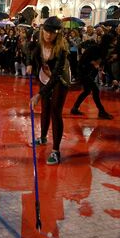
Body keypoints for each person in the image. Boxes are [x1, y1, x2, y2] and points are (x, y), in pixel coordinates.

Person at [28, 16, 72, 165]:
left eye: (53, 33)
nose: (49, 35)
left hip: (59, 80)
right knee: (45, 109)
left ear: (58, 34)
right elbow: (30, 53)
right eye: (46, 31)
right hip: (44, 76)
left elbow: (56, 76)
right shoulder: (38, 43)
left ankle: (56, 151)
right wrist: (29, 64)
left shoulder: (61, 49)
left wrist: (39, 94)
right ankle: (43, 137)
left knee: (55, 111)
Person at [69, 42, 114, 119]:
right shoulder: (94, 49)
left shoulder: (102, 52)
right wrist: (93, 63)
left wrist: (113, 79)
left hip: (86, 72)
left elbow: (106, 64)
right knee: (95, 90)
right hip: (82, 72)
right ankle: (101, 111)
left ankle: (75, 108)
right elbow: (84, 60)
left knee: (87, 91)